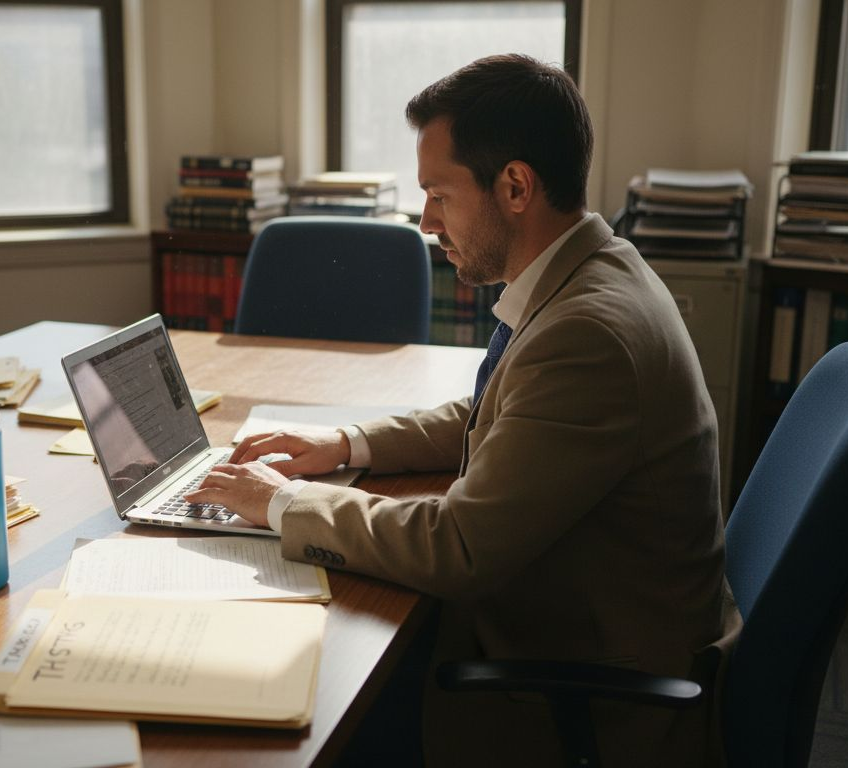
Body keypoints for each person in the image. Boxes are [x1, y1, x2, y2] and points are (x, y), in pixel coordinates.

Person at [185, 53, 740, 767]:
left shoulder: (588, 334)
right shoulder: (594, 269)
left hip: (585, 699)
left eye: (439, 195)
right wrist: (346, 443)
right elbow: (498, 411)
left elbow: (460, 547)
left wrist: (282, 504)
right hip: (575, 621)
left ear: (515, 186)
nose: (426, 221)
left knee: (290, 702)